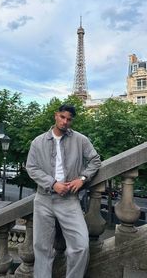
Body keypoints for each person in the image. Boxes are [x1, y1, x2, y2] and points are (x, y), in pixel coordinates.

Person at [26, 104, 101, 278]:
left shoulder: (80, 140)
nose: (65, 122)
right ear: (55, 116)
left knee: (81, 245)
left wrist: (82, 179)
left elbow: (95, 160)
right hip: (43, 199)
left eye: (69, 119)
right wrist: (52, 183)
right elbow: (31, 168)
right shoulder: (38, 142)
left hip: (69, 200)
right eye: (62, 117)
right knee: (42, 248)